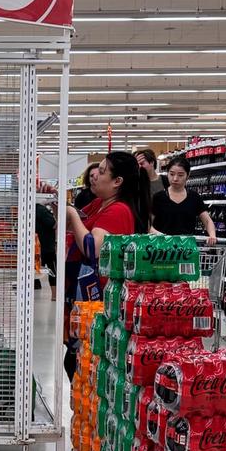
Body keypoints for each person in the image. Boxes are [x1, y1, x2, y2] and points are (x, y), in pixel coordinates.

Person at [62, 151, 153, 377]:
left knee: (84, 364)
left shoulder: (118, 210)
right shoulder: (98, 204)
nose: (95, 176)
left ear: (117, 182)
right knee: (75, 359)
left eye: (101, 172)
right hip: (85, 298)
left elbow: (93, 248)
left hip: (98, 300)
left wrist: (72, 216)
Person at [153, 155, 217, 243]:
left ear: (188, 175)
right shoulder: (158, 197)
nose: (175, 178)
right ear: (167, 173)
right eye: (171, 174)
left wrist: (212, 235)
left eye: (180, 175)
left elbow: (207, 220)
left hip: (187, 249)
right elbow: (148, 224)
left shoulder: (194, 197)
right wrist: (158, 234)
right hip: (162, 247)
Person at [34, 202, 57, 301]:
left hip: (35, 246)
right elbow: (53, 225)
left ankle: (33, 289)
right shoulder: (41, 210)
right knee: (52, 270)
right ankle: (55, 295)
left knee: (35, 269)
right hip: (47, 246)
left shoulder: (30, 209)